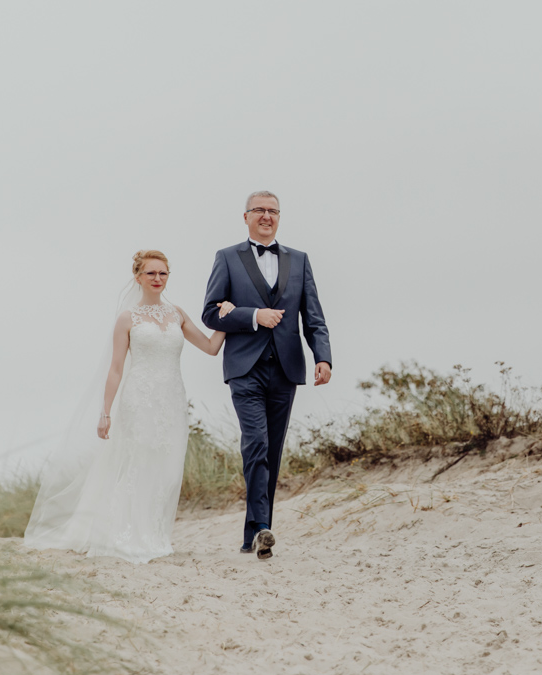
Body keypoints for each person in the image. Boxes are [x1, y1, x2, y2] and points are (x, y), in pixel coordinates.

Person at [24, 250, 233, 564]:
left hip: (172, 401)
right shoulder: (128, 318)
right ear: (138, 277)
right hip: (138, 399)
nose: (157, 279)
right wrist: (105, 412)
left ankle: (155, 533)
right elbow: (116, 368)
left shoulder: (177, 314)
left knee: (167, 468)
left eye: (163, 273)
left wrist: (225, 320)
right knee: (137, 463)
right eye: (151, 273)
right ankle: (125, 534)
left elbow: (210, 347)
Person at [202, 191, 332, 560]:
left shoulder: (300, 260)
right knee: (256, 443)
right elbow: (210, 314)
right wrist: (253, 315)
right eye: (259, 210)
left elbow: (314, 317)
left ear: (279, 217)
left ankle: (254, 534)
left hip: (287, 367)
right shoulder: (227, 258)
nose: (266, 216)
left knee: (272, 451)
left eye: (272, 211)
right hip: (245, 367)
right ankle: (261, 527)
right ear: (245, 217)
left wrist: (323, 358)